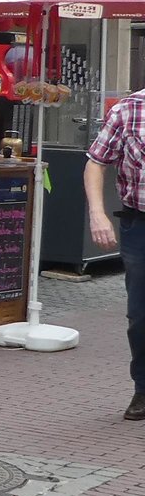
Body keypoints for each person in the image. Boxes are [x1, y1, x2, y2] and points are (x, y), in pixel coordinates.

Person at [85, 91, 145, 419]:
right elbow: (96, 163)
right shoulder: (129, 109)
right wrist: (97, 213)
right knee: (140, 315)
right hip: (140, 223)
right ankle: (143, 389)